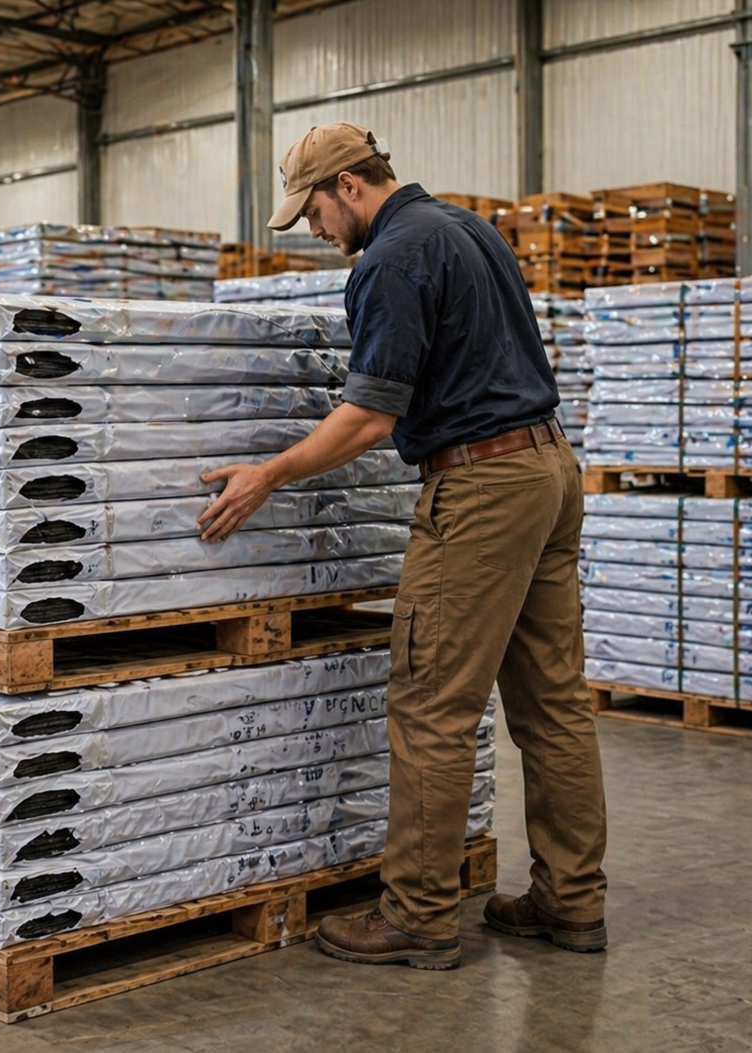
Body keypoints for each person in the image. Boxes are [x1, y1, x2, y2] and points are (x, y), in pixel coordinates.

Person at [197, 122, 608, 970]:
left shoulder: (391, 258)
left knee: (431, 704)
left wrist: (268, 474)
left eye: (313, 211)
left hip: (482, 489)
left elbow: (369, 417)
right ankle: (572, 900)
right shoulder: (468, 229)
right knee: (554, 705)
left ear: (348, 185)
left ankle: (418, 913)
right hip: (548, 470)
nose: (313, 230)